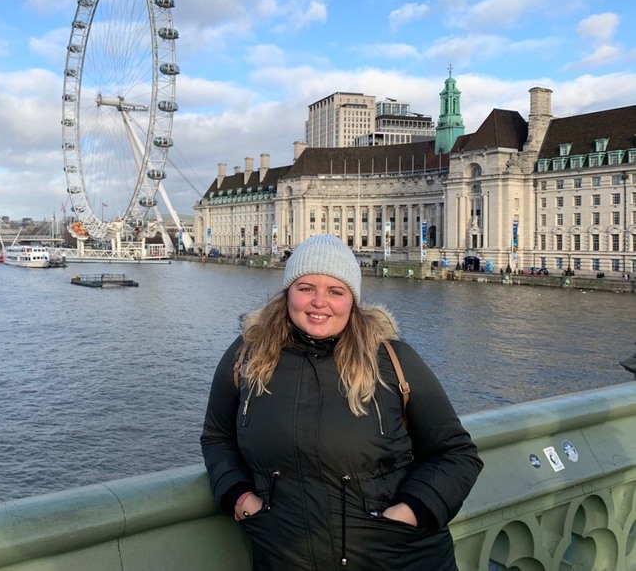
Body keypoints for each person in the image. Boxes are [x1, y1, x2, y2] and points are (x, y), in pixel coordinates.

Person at [200, 234, 483, 570]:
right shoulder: (246, 356)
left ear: (352, 299)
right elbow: (217, 438)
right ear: (287, 292)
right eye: (306, 288)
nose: (320, 302)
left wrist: (408, 514)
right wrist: (240, 497)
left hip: (398, 559)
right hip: (287, 558)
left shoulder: (392, 360)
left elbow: (455, 453)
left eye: (335, 291)